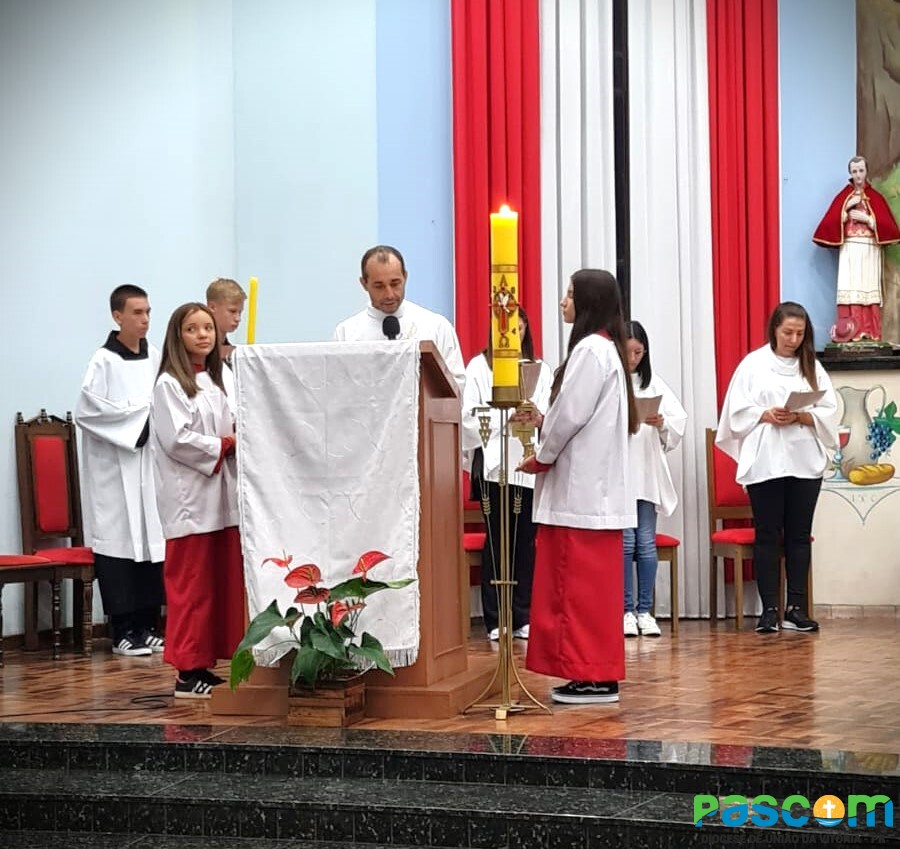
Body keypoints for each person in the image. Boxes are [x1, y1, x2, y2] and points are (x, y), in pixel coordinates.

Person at [517, 269, 638, 704]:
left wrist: (542, 454)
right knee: (592, 596)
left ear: (586, 302)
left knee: (574, 592)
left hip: (580, 495)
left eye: (569, 294)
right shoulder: (608, 351)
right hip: (594, 493)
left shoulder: (590, 350)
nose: (563, 301)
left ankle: (590, 675)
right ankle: (596, 673)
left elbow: (570, 417)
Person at [716, 302, 838, 634]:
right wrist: (764, 414)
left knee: (799, 535)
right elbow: (734, 410)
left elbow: (830, 409)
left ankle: (795, 607)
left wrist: (801, 415)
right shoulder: (753, 364)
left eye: (800, 333)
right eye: (788, 332)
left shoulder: (811, 366)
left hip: (803, 459)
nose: (793, 339)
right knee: (768, 533)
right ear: (774, 329)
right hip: (767, 458)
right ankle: (768, 609)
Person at [150, 303, 245, 698]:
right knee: (191, 586)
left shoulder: (217, 381)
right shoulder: (169, 385)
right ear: (178, 336)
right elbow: (177, 439)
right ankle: (187, 671)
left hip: (219, 498)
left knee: (216, 584)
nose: (203, 335)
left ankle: (205, 661)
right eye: (193, 329)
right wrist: (224, 444)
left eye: (208, 328)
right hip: (189, 500)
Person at [75, 285, 166, 657]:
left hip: (148, 467)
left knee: (149, 543)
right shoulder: (103, 361)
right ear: (117, 316)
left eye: (147, 312)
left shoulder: (155, 357)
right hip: (115, 470)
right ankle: (123, 629)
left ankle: (147, 622)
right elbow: (88, 411)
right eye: (137, 313)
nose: (145, 320)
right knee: (119, 546)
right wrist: (138, 419)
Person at [462, 306, 553, 642]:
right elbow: (470, 418)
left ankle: (522, 615)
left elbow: (550, 412)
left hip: (528, 465)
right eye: (508, 329)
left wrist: (538, 415)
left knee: (525, 543)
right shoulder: (479, 367)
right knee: (497, 542)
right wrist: (505, 417)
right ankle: (495, 617)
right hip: (494, 465)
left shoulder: (539, 370)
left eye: (520, 328)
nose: (514, 334)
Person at [622, 320, 687, 639]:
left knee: (645, 543)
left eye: (639, 352)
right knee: (625, 543)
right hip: (618, 473)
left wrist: (661, 423)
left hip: (645, 471)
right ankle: (624, 610)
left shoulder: (652, 383)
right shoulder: (610, 380)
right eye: (628, 351)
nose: (633, 358)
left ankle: (645, 611)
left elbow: (677, 423)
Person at [333, 245, 466, 396]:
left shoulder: (436, 327)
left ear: (405, 277)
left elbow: (456, 389)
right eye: (379, 286)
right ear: (364, 284)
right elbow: (339, 394)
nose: (389, 294)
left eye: (395, 283)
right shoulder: (346, 334)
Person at [812, 155, 900, 342]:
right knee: (850, 287)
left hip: (869, 248)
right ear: (850, 173)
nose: (858, 175)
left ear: (866, 171)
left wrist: (867, 219)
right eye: (854, 171)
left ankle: (871, 331)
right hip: (850, 249)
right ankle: (849, 332)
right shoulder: (844, 197)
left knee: (868, 287)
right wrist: (845, 210)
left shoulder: (875, 198)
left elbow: (888, 226)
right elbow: (828, 224)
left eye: (861, 170)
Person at [206, 277, 246, 406]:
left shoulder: (233, 353)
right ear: (212, 307)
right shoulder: (198, 351)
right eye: (232, 311)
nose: (238, 318)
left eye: (240, 312)